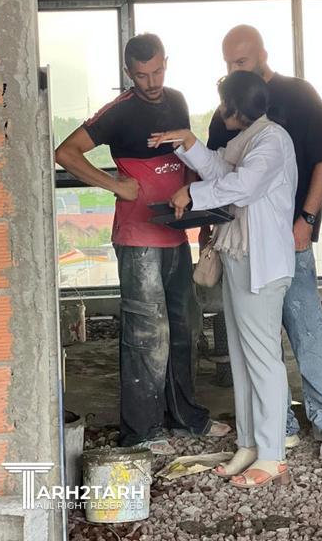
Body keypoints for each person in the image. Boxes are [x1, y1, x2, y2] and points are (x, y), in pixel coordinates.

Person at [55, 33, 229, 454]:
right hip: (138, 239)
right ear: (127, 72)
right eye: (141, 75)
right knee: (146, 333)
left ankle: (185, 417)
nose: (151, 82)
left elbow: (186, 159)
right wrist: (115, 184)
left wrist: (202, 213)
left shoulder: (177, 100)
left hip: (175, 231)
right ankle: (143, 431)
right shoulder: (119, 112)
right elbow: (66, 152)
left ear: (166, 62)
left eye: (157, 71)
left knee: (185, 326)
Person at [206, 25, 322, 461]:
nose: (234, 68)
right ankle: (279, 426)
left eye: (241, 61)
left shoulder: (299, 95)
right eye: (228, 62)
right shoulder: (228, 109)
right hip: (245, 245)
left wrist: (306, 219)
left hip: (291, 235)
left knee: (306, 327)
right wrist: (207, 233)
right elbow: (216, 174)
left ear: (263, 54)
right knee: (259, 342)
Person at [149, 71, 297, 488]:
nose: (220, 110)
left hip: (263, 265)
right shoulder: (248, 139)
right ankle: (249, 444)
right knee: (242, 356)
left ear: (235, 107)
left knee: (262, 359)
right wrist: (189, 143)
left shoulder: (273, 140)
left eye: (223, 103)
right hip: (240, 259)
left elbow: (243, 186)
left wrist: (190, 194)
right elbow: (221, 170)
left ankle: (272, 454)